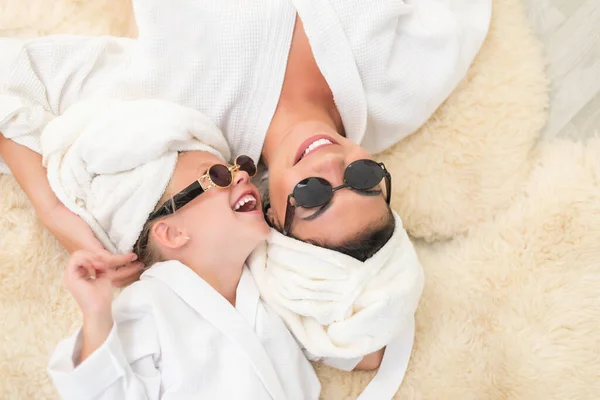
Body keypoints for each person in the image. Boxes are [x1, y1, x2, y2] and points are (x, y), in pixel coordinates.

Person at [0, 0, 492, 266]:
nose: (329, 165)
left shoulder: (178, 112)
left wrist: (54, 212)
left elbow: (13, 82)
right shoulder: (405, 86)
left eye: (314, 193)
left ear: (274, 216)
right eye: (363, 178)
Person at [45, 98, 321, 399]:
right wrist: (97, 314)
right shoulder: (148, 306)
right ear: (172, 233)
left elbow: (344, 340)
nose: (243, 175)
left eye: (238, 168)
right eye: (218, 176)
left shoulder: (271, 281)